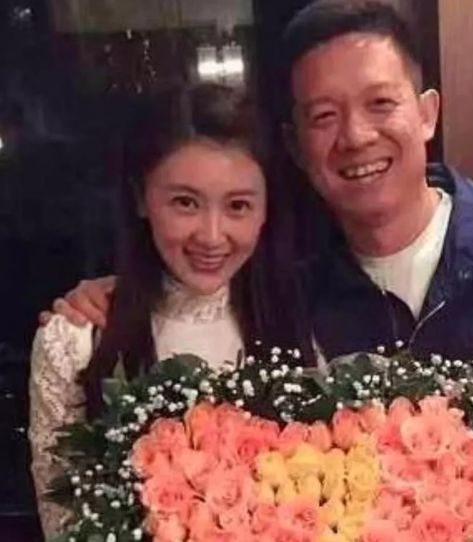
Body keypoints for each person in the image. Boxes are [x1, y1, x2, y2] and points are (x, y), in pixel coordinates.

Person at [41, 1, 473, 540]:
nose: (355, 136)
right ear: (297, 147)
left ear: (427, 113)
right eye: (324, 116)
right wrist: (115, 298)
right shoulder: (290, 283)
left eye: (381, 103)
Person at [28, 83, 303, 539]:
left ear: (265, 210)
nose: (211, 236)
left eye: (238, 206)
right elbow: (64, 527)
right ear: (141, 198)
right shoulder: (76, 339)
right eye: (185, 203)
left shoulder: (300, 320)